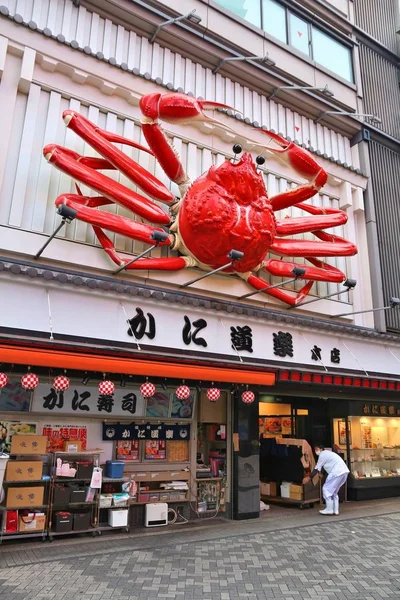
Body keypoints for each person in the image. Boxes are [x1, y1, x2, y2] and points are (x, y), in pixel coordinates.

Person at [303, 444, 349, 516]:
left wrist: (308, 478)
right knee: (333, 492)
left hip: (336, 472)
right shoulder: (328, 454)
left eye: (317, 449)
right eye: (314, 449)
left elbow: (317, 468)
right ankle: (335, 510)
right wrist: (322, 474)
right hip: (344, 472)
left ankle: (329, 510)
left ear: (321, 449)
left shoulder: (323, 454)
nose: (315, 451)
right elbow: (324, 466)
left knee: (326, 489)